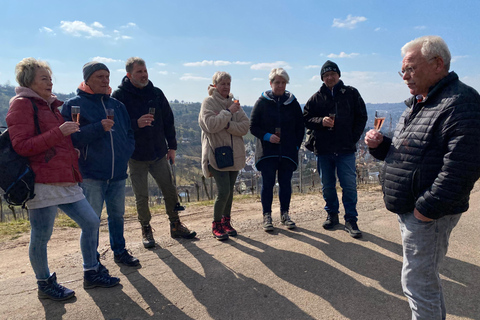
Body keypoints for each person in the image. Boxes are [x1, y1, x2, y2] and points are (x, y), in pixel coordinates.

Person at [365, 36, 480, 319]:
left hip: (428, 213)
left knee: (417, 284)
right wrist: (381, 146)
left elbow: (462, 167)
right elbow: (411, 152)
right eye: (402, 71)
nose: (404, 76)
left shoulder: (460, 102)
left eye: (410, 69)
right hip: (414, 209)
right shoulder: (424, 100)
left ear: (438, 64)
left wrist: (424, 210)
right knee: (424, 282)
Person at [6, 58, 119, 301]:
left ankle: (91, 271)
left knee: (90, 222)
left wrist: (70, 150)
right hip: (42, 182)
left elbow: (56, 140)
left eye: (50, 77)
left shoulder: (49, 105)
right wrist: (59, 132)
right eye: (43, 78)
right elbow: (22, 145)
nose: (50, 82)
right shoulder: (22, 105)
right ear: (28, 82)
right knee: (42, 235)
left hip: (65, 178)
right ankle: (44, 283)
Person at [111, 57, 196, 248]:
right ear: (129, 75)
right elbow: (115, 124)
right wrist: (136, 124)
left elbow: (168, 120)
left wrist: (172, 147)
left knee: (169, 190)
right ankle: (146, 229)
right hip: (135, 155)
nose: (144, 75)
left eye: (145, 71)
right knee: (141, 195)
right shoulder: (120, 95)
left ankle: (175, 225)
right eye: (139, 72)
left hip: (158, 152)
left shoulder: (156, 93)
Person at [61, 62, 139, 267]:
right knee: (92, 220)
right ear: (87, 80)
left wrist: (125, 152)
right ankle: (92, 260)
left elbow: (129, 133)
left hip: (118, 174)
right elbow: (70, 139)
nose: (105, 80)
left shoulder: (118, 106)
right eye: (100, 77)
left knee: (117, 216)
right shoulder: (74, 105)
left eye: (107, 76)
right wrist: (98, 127)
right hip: (91, 174)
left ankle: (120, 251)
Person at [303, 60, 367, 238]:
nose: (329, 77)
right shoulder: (316, 97)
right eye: (326, 75)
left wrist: (352, 138)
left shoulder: (351, 93)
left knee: (349, 185)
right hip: (324, 149)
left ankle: (351, 219)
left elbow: (362, 116)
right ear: (322, 78)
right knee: (327, 186)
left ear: (339, 75)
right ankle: (332, 215)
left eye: (332, 74)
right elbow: (306, 118)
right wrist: (320, 121)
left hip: (345, 149)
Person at [250, 68, 304, 232]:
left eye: (283, 82)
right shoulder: (262, 102)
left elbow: (300, 128)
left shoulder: (292, 102)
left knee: (286, 184)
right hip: (268, 152)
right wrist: (267, 136)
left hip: (287, 152)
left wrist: (295, 146)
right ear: (271, 83)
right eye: (277, 82)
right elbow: (253, 127)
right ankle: (267, 216)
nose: (280, 86)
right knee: (268, 184)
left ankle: (285, 214)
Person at [198, 71, 249, 240]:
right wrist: (228, 112)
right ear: (215, 85)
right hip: (216, 153)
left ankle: (226, 222)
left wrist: (227, 125)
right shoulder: (209, 103)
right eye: (222, 84)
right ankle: (216, 224)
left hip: (234, 155)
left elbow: (245, 126)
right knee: (223, 191)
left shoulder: (233, 102)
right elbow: (210, 125)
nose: (226, 87)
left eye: (228, 83)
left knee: (230, 192)